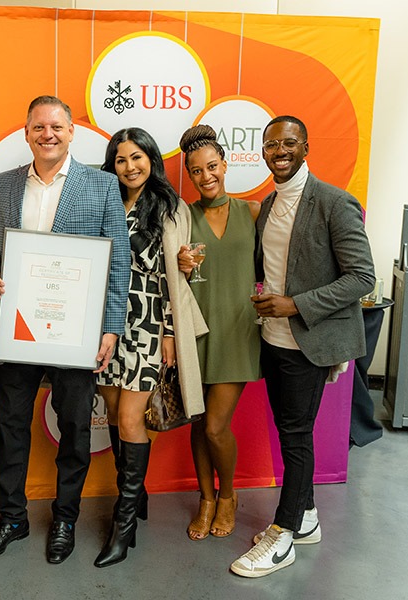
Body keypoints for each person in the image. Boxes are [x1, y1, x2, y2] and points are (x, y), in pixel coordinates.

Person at [0, 95, 129, 564]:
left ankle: (65, 518)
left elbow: (117, 259)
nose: (48, 135)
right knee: (11, 425)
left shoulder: (102, 184)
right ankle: (12, 519)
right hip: (18, 327)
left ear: (70, 132)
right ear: (26, 133)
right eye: (39, 127)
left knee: (76, 426)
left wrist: (110, 329)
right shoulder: (3, 184)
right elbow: (2, 247)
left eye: (57, 127)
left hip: (75, 333)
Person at [231, 115, 375, 577]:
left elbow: (362, 277)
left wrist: (296, 304)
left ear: (306, 147)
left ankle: (284, 535)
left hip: (308, 342)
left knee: (295, 436)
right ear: (263, 152)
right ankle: (307, 516)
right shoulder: (271, 203)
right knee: (290, 431)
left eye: (289, 143)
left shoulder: (334, 202)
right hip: (272, 339)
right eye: (271, 144)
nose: (280, 151)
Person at [94, 128, 207, 567]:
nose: (130, 167)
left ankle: (123, 527)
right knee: (112, 414)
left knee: (129, 418)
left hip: (148, 324)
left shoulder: (169, 207)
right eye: (121, 159)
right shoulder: (105, 200)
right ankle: (134, 496)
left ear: (151, 159)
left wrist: (171, 333)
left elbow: (174, 277)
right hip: (105, 324)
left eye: (137, 157)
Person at [176, 124, 261, 541]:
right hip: (195, 333)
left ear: (225, 165)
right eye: (196, 170)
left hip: (238, 332)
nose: (205, 176)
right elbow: (170, 272)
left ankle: (227, 496)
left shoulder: (254, 211)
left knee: (214, 426)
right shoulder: (183, 218)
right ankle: (205, 499)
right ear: (189, 175)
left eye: (212, 166)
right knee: (198, 423)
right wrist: (180, 263)